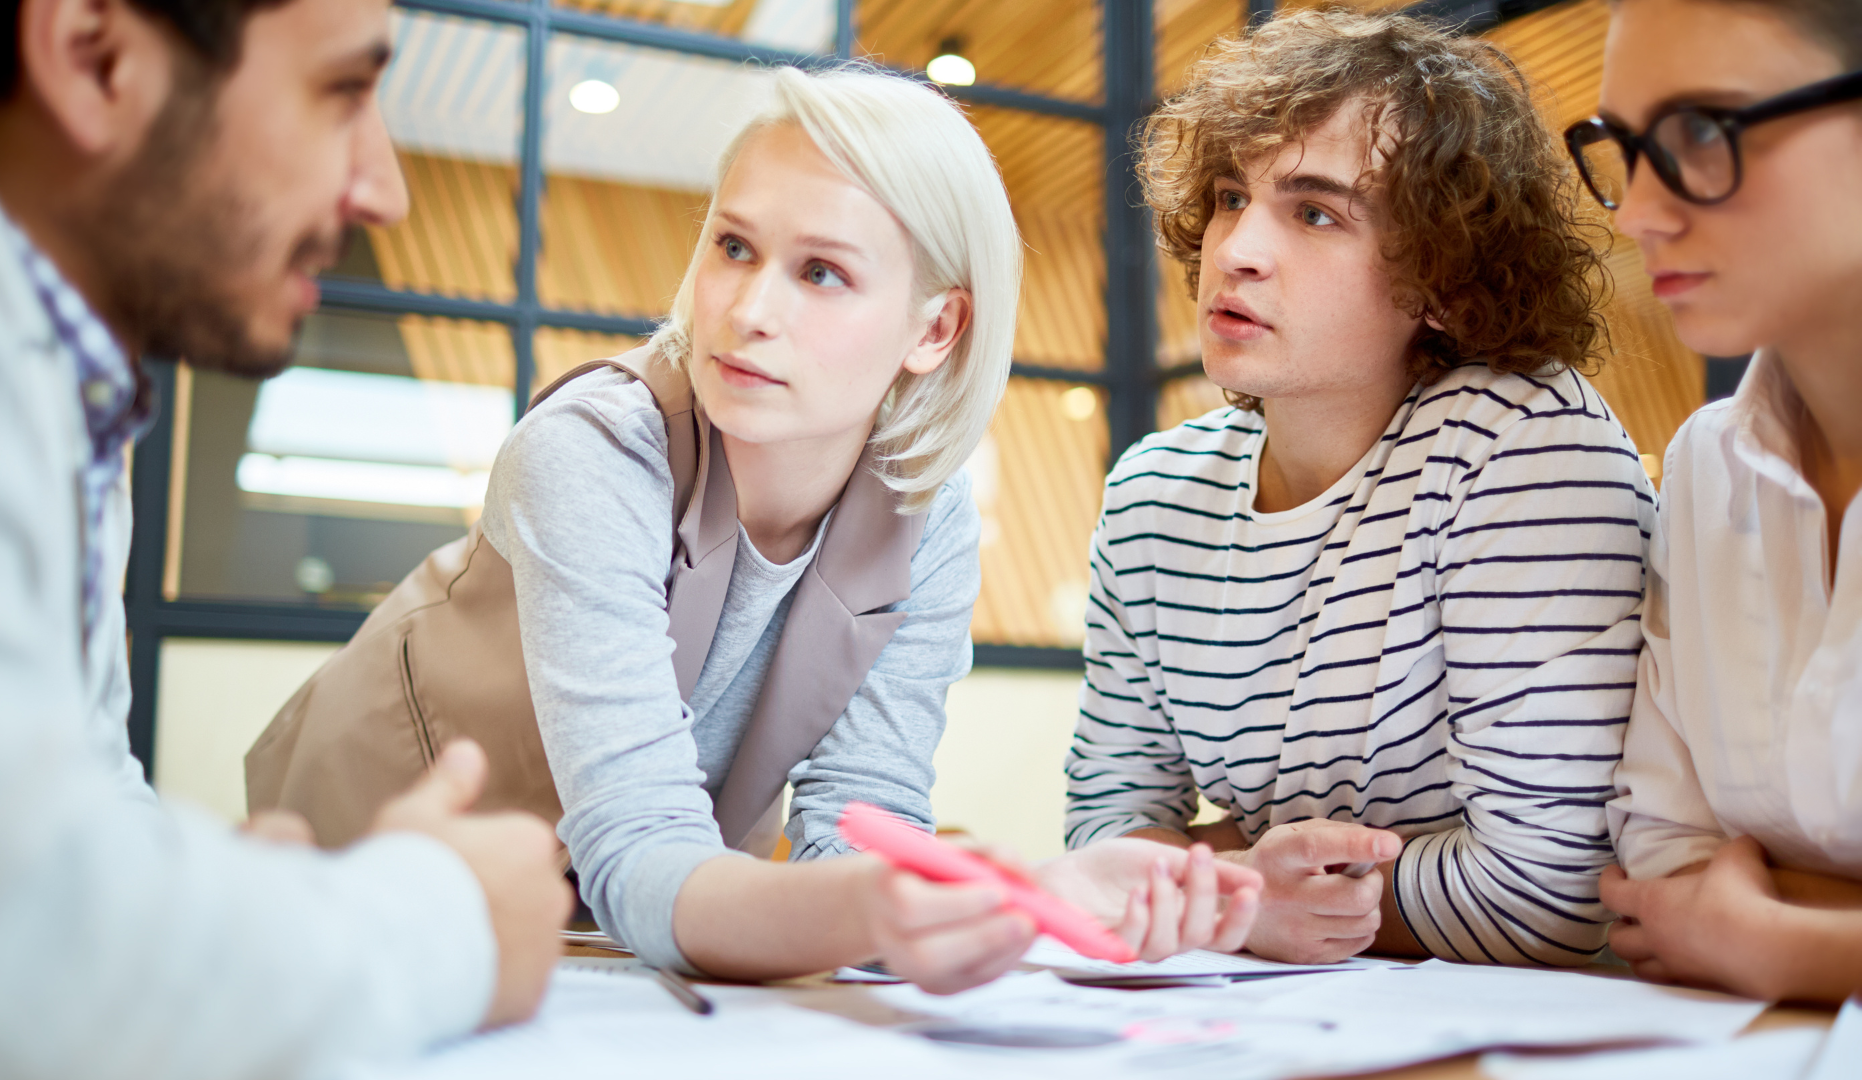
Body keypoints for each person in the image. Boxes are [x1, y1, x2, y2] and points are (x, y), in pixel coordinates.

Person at [249, 63, 1265, 994]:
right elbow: (641, 841)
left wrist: (1041, 891)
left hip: (592, 941)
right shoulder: (593, 449)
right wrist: (873, 908)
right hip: (356, 881)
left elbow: (858, 820)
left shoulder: (929, 506)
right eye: (734, 246)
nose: (746, 308)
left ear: (935, 328)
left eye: (821, 272)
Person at [0, 1, 573, 1077]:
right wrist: (440, 920)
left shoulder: (71, 389)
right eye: (343, 91)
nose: (384, 189)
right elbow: (9, 960)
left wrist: (232, 899)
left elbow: (65, 825)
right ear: (93, 56)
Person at [1052, 8, 1659, 967]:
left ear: (1444, 280)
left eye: (1316, 211)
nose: (1237, 247)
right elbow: (1106, 830)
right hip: (1288, 1021)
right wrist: (1249, 896)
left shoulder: (1521, 442)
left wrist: (1229, 887)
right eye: (1225, 196)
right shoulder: (1152, 497)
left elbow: (1551, 892)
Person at [1589, 0, 1862, 1003]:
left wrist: (1787, 946)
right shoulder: (1708, 463)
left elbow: (1715, 916)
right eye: (1622, 149)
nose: (1638, 212)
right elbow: (1661, 867)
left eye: (1704, 131)